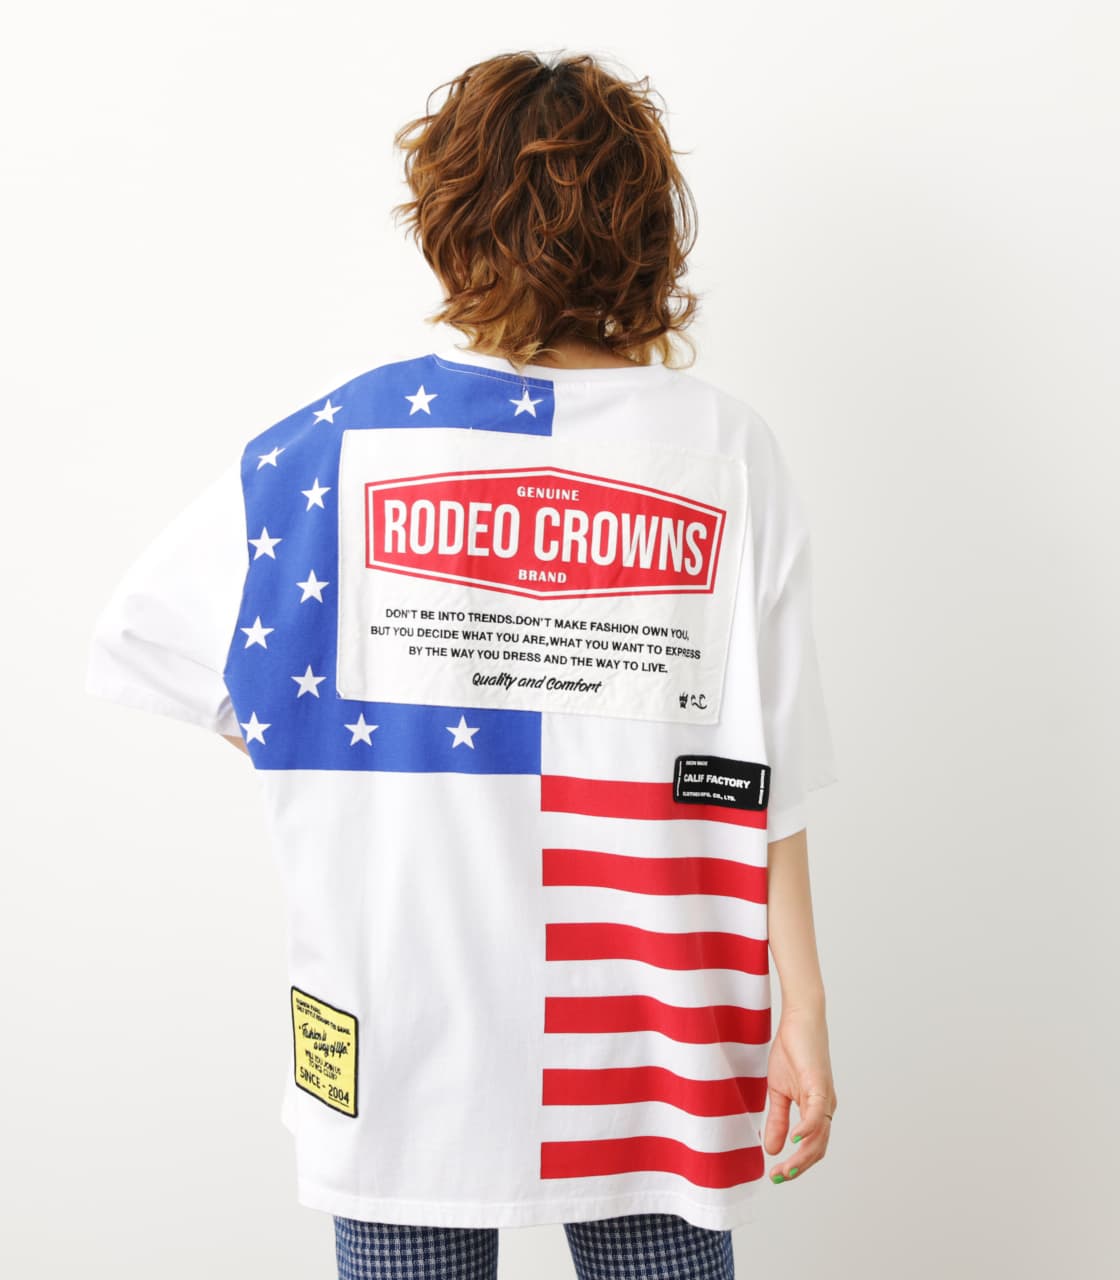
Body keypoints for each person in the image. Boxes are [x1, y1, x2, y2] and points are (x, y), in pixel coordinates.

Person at [85, 48, 839, 1280]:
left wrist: (350, 762)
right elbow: (772, 766)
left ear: (450, 218)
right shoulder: (723, 448)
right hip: (650, 1024)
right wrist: (800, 1005)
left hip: (397, 1003)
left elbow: (149, 632)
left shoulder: (333, 439)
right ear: (646, 228)